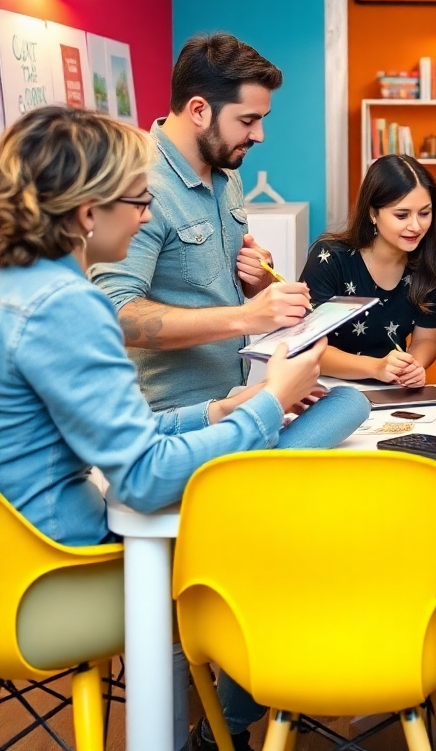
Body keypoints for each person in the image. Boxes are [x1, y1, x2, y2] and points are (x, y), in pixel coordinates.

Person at [0, 105, 365, 601]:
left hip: (26, 558)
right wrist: (271, 401)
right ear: (88, 214)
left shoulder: (22, 289)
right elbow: (144, 479)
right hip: (57, 573)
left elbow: (119, 438)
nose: (148, 216)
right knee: (265, 550)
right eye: (140, 201)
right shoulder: (67, 307)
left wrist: (221, 410)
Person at [92, 33, 315, 412]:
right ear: (199, 110)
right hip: (164, 420)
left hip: (229, 400)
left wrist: (255, 280)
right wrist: (247, 316)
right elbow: (114, 313)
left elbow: (204, 286)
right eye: (248, 120)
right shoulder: (138, 184)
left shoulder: (227, 173)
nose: (258, 135)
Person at [300, 154, 436, 385]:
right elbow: (307, 346)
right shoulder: (330, 258)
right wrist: (376, 367)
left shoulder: (434, 263)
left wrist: (412, 366)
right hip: (326, 389)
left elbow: (426, 339)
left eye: (425, 213)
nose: (416, 226)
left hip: (391, 389)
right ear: (372, 213)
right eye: (402, 215)